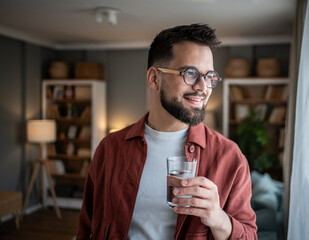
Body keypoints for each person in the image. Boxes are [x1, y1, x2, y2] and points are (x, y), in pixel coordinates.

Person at [76, 23, 257, 240]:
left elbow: (249, 236)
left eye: (209, 76)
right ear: (154, 78)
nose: (202, 87)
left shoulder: (230, 158)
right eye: (190, 73)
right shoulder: (110, 148)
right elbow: (86, 228)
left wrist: (218, 218)